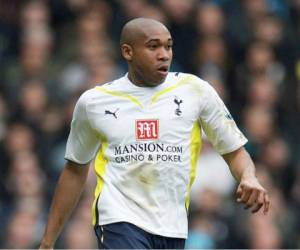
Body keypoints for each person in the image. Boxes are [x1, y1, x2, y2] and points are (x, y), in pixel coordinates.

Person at [39, 18, 270, 249]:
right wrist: (48, 241)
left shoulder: (196, 91)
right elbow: (74, 170)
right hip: (118, 220)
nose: (164, 54)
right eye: (153, 46)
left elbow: (234, 151)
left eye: (168, 46)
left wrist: (248, 176)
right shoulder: (94, 103)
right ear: (128, 52)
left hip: (173, 226)